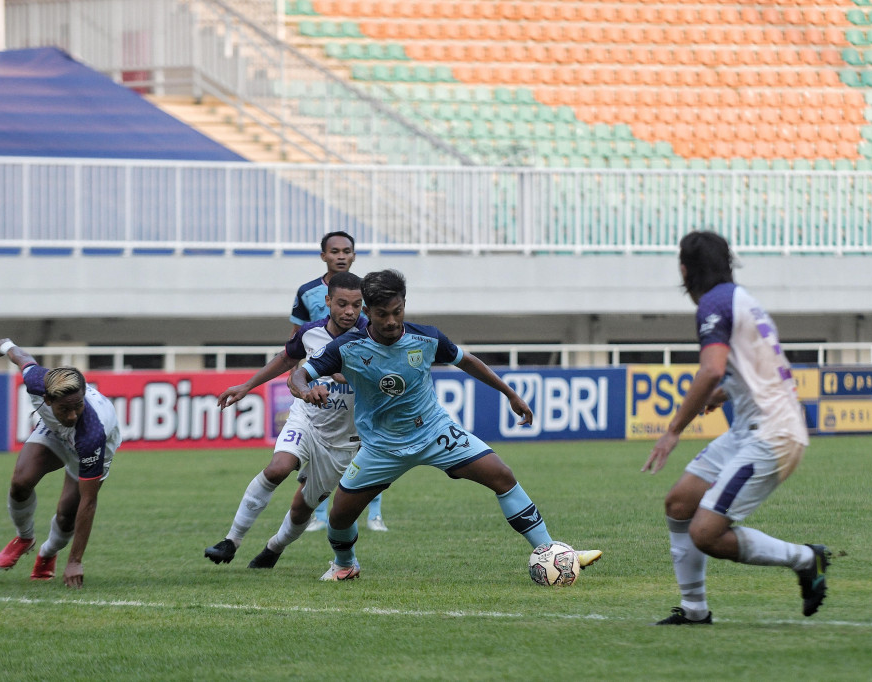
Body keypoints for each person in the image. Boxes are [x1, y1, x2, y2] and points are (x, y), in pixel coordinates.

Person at [290, 269, 602, 580]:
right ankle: (345, 565)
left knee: (502, 475)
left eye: (397, 312)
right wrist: (305, 390)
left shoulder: (426, 337)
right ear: (367, 312)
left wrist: (509, 393)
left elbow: (467, 361)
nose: (391, 321)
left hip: (435, 433)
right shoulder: (346, 347)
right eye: (382, 314)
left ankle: (552, 552)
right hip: (382, 447)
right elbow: (300, 373)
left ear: (404, 305)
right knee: (340, 516)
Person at [642, 231, 829, 624]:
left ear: (684, 268)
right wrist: (727, 393)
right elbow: (761, 369)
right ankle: (694, 611)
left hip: (770, 435)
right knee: (679, 504)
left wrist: (674, 429)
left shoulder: (714, 302)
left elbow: (710, 369)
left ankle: (806, 559)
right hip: (752, 427)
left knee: (705, 533)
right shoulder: (741, 299)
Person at [205, 272, 367, 568]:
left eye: (356, 305)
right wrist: (246, 386)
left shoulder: (371, 337)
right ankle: (231, 540)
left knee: (301, 506)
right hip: (306, 419)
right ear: (328, 301)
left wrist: (340, 375)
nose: (349, 311)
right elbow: (286, 361)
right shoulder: (309, 333)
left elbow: (371, 378)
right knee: (278, 468)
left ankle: (274, 548)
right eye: (342, 304)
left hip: (344, 440)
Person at [0, 338, 122, 588]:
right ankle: (25, 538)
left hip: (92, 447)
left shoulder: (92, 433)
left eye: (78, 406)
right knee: (20, 482)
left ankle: (48, 553)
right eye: (65, 409)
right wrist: (5, 345)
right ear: (48, 401)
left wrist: (75, 560)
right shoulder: (36, 381)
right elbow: (21, 356)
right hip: (54, 432)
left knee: (66, 514)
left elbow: (89, 501)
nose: (72, 415)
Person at [289, 230, 387, 532]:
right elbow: (295, 340)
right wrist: (299, 376)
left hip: (357, 379)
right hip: (322, 383)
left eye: (347, 251)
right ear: (324, 256)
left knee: (368, 446)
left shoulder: (366, 291)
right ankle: (318, 516)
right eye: (335, 251)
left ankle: (374, 514)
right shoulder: (307, 291)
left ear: (354, 255)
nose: (341, 256)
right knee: (324, 447)